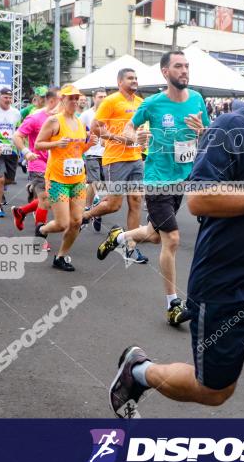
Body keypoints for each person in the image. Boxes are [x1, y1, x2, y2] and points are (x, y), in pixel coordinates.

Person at [107, 38, 244, 419]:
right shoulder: (230, 128)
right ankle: (139, 372)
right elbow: (199, 199)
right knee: (213, 390)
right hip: (226, 285)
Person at [97, 51, 210, 324]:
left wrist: (202, 132)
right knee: (171, 239)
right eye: (178, 66)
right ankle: (173, 304)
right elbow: (127, 131)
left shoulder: (197, 99)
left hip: (182, 177)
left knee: (155, 234)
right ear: (165, 72)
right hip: (157, 178)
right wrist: (136, 135)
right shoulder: (152, 104)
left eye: (186, 66)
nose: (184, 70)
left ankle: (120, 238)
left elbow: (208, 134)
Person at [83, 69, 149, 264]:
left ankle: (130, 247)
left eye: (136, 77)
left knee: (136, 200)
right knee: (114, 205)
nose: (135, 81)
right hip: (115, 158)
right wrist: (120, 139)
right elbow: (96, 128)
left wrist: (143, 140)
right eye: (130, 78)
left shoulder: (141, 103)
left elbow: (141, 129)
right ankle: (86, 215)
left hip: (136, 157)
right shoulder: (111, 101)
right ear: (120, 81)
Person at [34, 85, 92, 271]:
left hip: (77, 179)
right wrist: (57, 143)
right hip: (58, 178)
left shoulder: (80, 123)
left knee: (76, 221)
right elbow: (38, 145)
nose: (74, 101)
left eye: (77, 98)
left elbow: (78, 150)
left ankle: (61, 256)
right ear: (62, 100)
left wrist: (90, 143)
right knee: (62, 223)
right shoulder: (54, 121)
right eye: (70, 98)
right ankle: (42, 230)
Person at [12, 89, 60, 252]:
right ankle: (40, 238)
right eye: (64, 99)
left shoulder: (64, 119)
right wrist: (26, 152)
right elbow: (17, 136)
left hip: (57, 165)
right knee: (46, 200)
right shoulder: (35, 117)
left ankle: (21, 211)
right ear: (52, 101)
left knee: (54, 200)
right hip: (38, 163)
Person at [0, 88, 21, 218]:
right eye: (5, 97)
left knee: (9, 179)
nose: (8, 100)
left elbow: (19, 130)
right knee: (0, 179)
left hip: (11, 150)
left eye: (10, 98)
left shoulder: (16, 113)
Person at [79, 89, 107, 232]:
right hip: (91, 153)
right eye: (100, 97)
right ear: (94, 98)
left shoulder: (110, 113)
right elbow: (78, 131)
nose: (103, 99)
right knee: (94, 181)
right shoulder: (86, 115)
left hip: (108, 154)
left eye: (105, 96)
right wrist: (87, 135)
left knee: (105, 185)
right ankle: (88, 206)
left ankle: (97, 210)